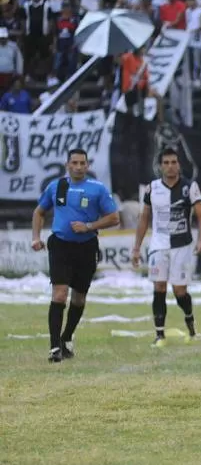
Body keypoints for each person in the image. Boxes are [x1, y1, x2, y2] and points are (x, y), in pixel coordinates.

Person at [31, 148, 121, 362]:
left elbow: (114, 218)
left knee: (79, 297)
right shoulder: (56, 186)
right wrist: (36, 237)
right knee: (60, 294)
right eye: (75, 163)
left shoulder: (97, 189)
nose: (79, 167)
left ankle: (67, 337)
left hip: (86, 247)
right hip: (60, 246)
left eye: (83, 163)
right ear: (67, 165)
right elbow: (39, 212)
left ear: (87, 166)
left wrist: (89, 226)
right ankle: (54, 348)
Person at [132, 148, 201, 345]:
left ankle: (190, 321)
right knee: (159, 286)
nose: (170, 166)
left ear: (179, 165)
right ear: (160, 166)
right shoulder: (152, 188)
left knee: (179, 291)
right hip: (159, 244)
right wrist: (136, 247)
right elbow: (144, 218)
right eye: (166, 163)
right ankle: (159, 334)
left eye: (173, 162)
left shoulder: (189, 187)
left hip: (182, 245)